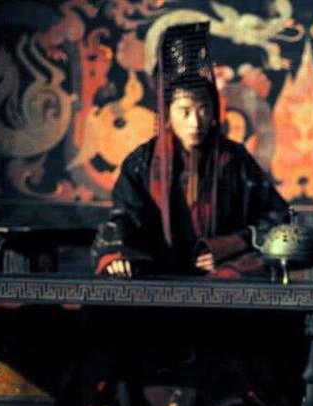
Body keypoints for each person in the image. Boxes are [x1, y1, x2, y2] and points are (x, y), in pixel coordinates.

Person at [92, 22, 288, 278]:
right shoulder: (142, 162)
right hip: (156, 271)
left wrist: (226, 247)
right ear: (168, 113)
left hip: (221, 271)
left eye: (203, 109)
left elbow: (276, 217)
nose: (195, 122)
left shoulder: (234, 159)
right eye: (184, 111)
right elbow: (125, 217)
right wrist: (118, 255)